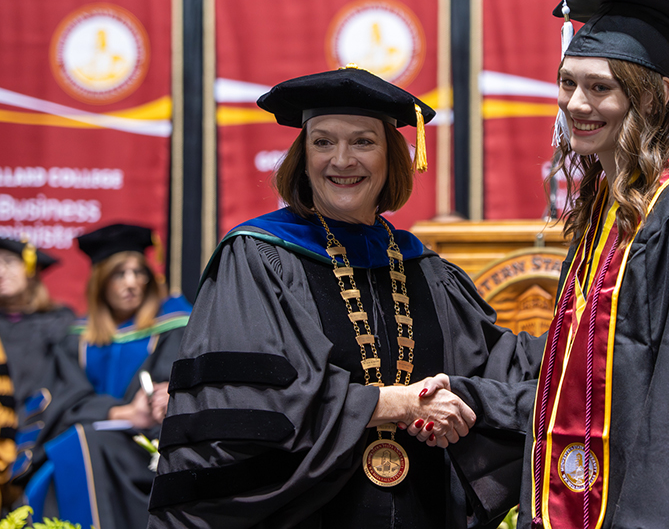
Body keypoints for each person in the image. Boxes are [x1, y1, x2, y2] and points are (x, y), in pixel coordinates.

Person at [148, 66, 544, 529]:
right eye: (322, 142)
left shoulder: (425, 271)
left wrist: (596, 335)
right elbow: (250, 410)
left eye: (362, 141)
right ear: (302, 155)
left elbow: (497, 366)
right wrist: (398, 404)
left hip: (422, 509)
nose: (341, 159)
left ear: (391, 157)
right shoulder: (257, 259)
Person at [518, 0, 669, 529]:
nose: (577, 103)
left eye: (600, 87)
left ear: (647, 96)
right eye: (567, 82)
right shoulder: (603, 210)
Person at [14, 224, 191, 529]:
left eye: (138, 272)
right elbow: (62, 399)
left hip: (148, 448)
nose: (132, 283)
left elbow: (183, 381)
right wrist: (121, 412)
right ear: (100, 282)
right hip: (94, 440)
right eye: (119, 274)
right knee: (70, 451)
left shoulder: (174, 326)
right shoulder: (75, 338)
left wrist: (168, 396)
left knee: (88, 443)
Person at [0, 238, 74, 508]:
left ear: (31, 269)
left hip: (42, 441)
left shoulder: (60, 324)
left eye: (9, 262)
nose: (0, 272)